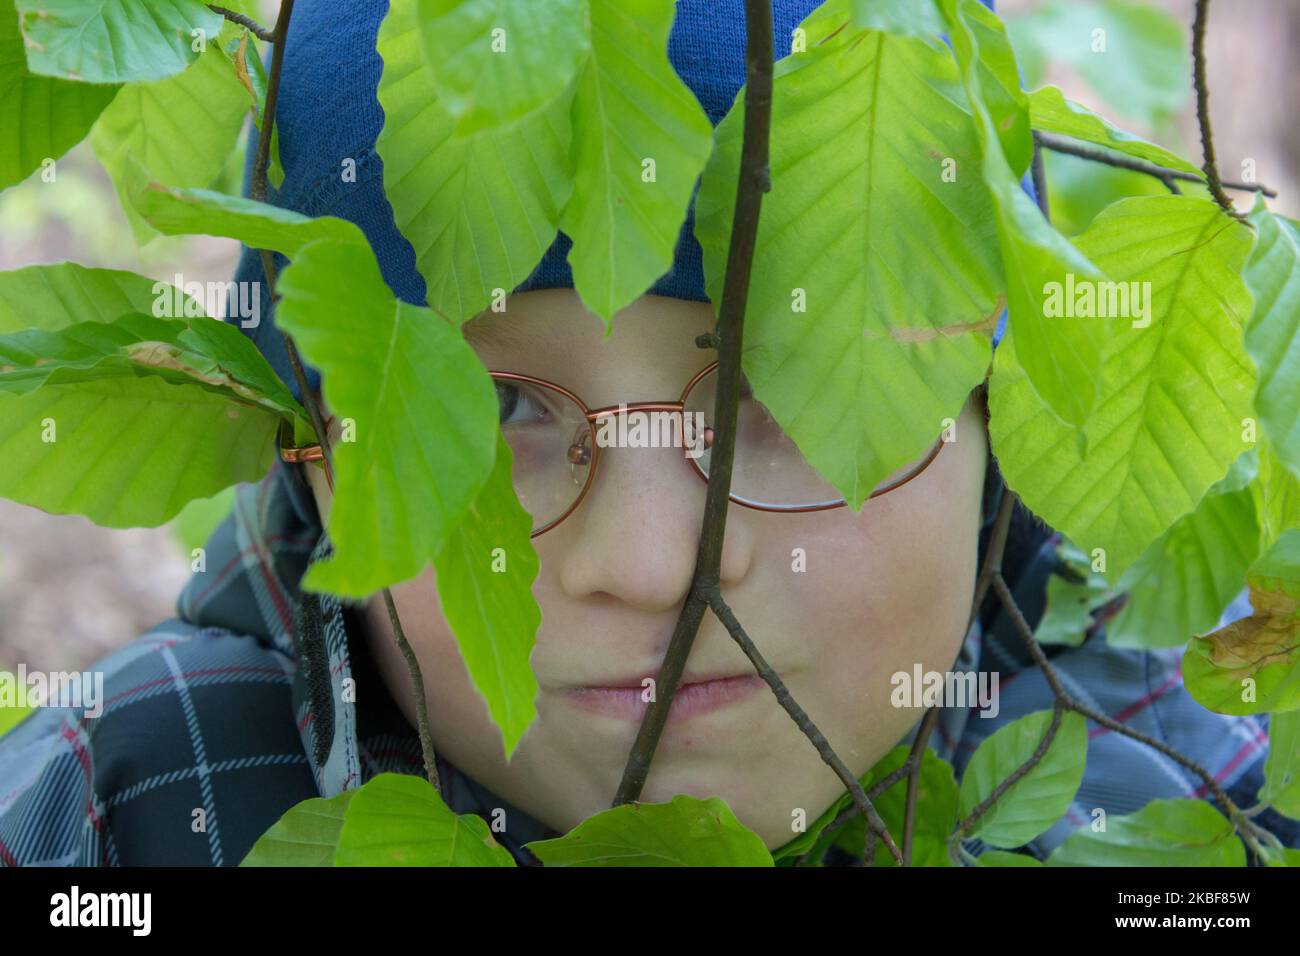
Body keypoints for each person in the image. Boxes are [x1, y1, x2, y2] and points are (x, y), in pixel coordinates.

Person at [0, 0, 1292, 867]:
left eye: (784, 396)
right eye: (498, 408)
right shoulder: (110, 822)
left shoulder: (1201, 809)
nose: (653, 561)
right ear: (313, 454)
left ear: (1000, 422)